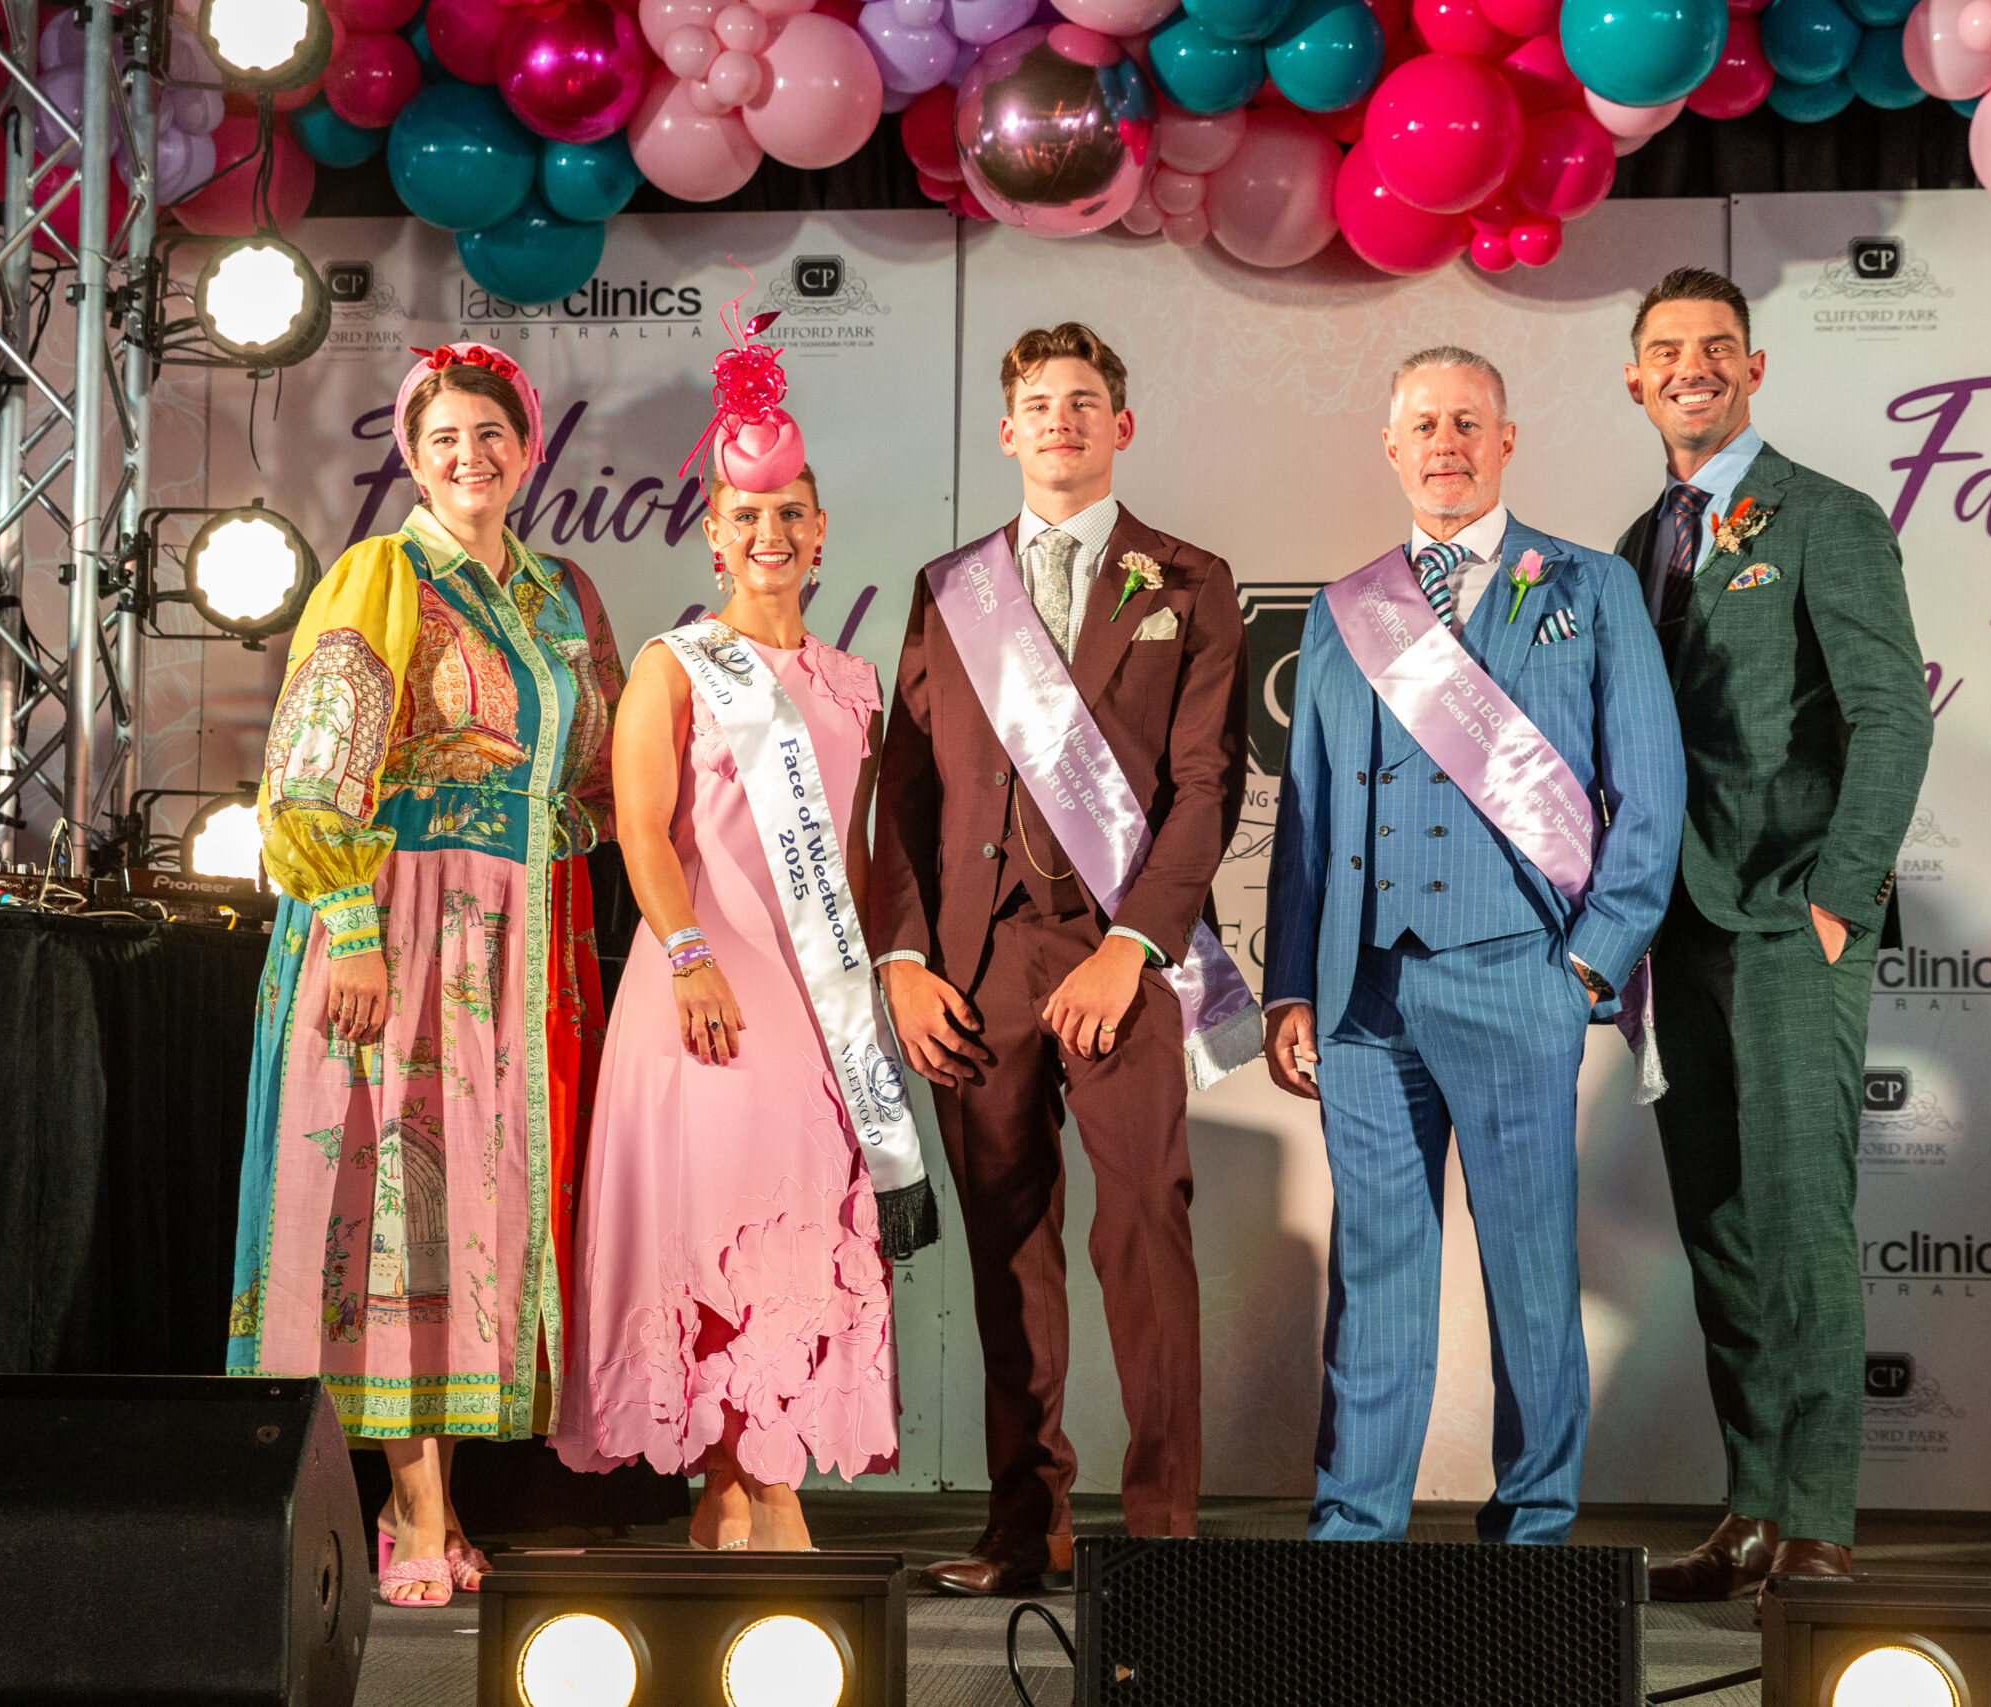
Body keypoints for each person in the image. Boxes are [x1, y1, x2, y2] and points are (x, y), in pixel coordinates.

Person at [1261, 347, 1684, 1545]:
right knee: (1376, 1278)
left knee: (1530, 1277)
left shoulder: (1591, 587)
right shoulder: (1345, 612)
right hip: (1361, 994)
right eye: (1422, 425)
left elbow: (1650, 792)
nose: (1444, 444)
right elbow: (1305, 813)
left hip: (1518, 977)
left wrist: (1591, 963)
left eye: (1466, 422)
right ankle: (1354, 1535)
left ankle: (1534, 1534)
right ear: (1391, 448)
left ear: (1504, 442)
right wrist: (1289, 983)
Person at [227, 342, 625, 1608]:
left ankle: (430, 1495)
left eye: (491, 434)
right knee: (395, 1192)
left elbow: (601, 776)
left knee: (472, 1216)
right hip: (395, 921)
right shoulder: (380, 575)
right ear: (410, 455)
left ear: (530, 448)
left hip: (518, 939)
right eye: (443, 437)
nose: (469, 456)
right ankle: (416, 1505)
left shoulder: (563, 595)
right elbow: (309, 771)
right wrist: (349, 920)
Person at [870, 322, 1258, 1596]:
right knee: (1006, 1248)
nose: (1061, 421)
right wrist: (903, 958)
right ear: (1007, 431)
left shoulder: (1188, 580)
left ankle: (1160, 1535)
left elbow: (1204, 787)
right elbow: (904, 788)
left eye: (1084, 401)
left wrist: (1134, 945)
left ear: (1120, 427)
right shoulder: (950, 587)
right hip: (974, 970)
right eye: (1039, 403)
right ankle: (1022, 1525)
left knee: (1144, 1229)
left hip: (1116, 961)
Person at [1614, 268, 1932, 1597]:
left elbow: (1892, 715)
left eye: (1715, 346)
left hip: (1793, 922)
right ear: (1635, 379)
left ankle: (1816, 1519)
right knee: (1722, 1228)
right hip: (1675, 930)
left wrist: (1839, 900)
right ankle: (1749, 1509)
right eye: (1665, 349)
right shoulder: (1636, 543)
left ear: (1753, 368)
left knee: (1800, 1221)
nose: (1689, 366)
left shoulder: (1828, 516)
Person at [553, 446, 935, 1549]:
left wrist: (868, 993)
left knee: (803, 1225)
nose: (770, 533)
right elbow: (640, 829)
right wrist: (685, 955)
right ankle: (760, 1487)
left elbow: (855, 861)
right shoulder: (676, 665)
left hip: (817, 999)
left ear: (820, 533)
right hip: (704, 987)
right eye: (747, 515)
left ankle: (737, 1488)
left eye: (791, 514)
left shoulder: (854, 683)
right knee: (720, 1222)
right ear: (714, 535)